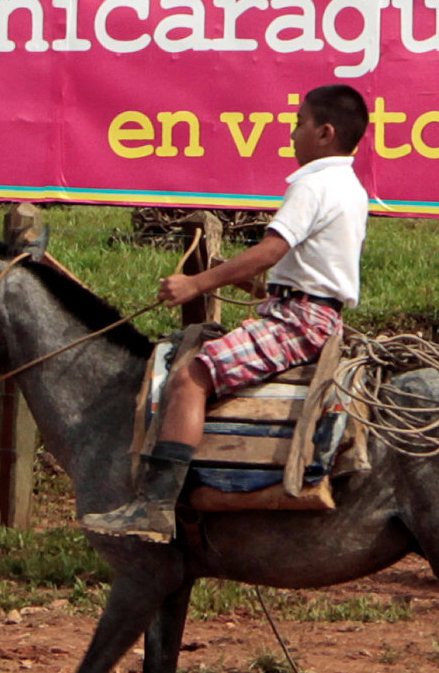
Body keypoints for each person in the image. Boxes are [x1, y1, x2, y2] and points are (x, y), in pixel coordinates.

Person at [81, 84, 371, 544]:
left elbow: (272, 249)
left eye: (300, 123)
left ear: (324, 133)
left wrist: (197, 284)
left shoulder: (314, 184)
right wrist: (238, 278)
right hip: (310, 311)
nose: (293, 133)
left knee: (191, 376)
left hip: (298, 321)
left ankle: (155, 506)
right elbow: (310, 270)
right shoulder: (350, 187)